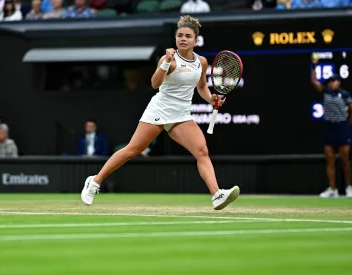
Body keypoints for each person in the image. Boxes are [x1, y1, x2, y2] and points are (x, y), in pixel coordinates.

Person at [80, 16, 240, 210]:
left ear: (195, 40)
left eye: (187, 36)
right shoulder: (168, 60)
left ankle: (216, 195)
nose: (182, 39)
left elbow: (202, 87)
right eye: (179, 35)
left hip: (181, 115)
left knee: (201, 151)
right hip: (160, 110)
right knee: (133, 150)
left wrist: (211, 99)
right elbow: (155, 84)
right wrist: (166, 64)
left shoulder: (202, 62)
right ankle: (94, 182)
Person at [311, 57, 352, 198]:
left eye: (334, 81)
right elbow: (314, 82)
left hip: (342, 128)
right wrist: (313, 66)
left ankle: (348, 187)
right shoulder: (325, 92)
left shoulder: (345, 94)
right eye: (330, 81)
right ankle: (333, 189)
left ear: (339, 82)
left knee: (344, 159)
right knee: (330, 160)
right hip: (329, 129)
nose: (331, 83)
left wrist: (346, 124)